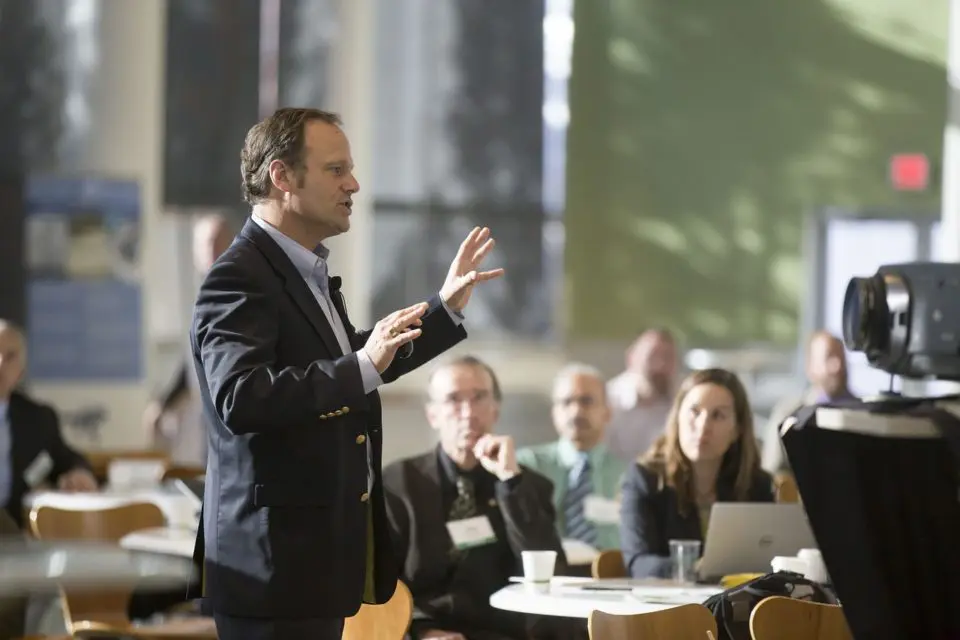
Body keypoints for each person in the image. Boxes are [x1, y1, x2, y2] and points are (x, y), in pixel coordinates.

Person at [190, 107, 503, 640]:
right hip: (271, 572)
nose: (354, 184)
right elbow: (240, 397)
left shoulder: (302, 268)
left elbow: (352, 361)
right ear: (282, 177)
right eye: (336, 170)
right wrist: (362, 363)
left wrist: (443, 310)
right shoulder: (239, 277)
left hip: (310, 567)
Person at [383, 356, 576, 640]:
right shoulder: (399, 483)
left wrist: (510, 482)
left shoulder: (528, 486)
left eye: (479, 398)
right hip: (418, 631)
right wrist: (420, 631)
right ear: (432, 414)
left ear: (496, 409)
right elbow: (382, 584)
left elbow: (547, 571)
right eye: (453, 400)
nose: (468, 412)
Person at [619, 368, 773, 579]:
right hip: (666, 608)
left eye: (718, 415)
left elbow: (768, 562)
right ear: (677, 418)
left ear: (737, 430)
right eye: (694, 412)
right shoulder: (645, 479)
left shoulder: (757, 485)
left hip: (735, 608)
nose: (703, 426)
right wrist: (698, 568)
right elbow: (639, 563)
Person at [143, 214, 234, 465]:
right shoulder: (201, 297)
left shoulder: (240, 291)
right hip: (203, 424)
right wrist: (163, 404)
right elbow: (191, 361)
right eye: (205, 244)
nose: (211, 251)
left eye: (217, 242)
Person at [517, 363, 626, 553]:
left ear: (607, 412)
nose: (576, 411)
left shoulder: (627, 474)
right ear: (554, 412)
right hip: (549, 574)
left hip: (613, 576)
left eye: (586, 401)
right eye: (566, 402)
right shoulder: (528, 465)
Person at [0, 320, 96, 528]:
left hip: (17, 540)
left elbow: (67, 459)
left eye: (10, 357)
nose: (0, 363)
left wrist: (79, 473)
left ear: (21, 371)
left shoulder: (38, 419)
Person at [762, 330, 856, 474]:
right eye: (829, 357)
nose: (837, 366)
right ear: (810, 368)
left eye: (841, 357)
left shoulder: (865, 415)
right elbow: (773, 472)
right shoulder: (789, 414)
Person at [605, 329, 679, 462]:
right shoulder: (608, 400)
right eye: (652, 356)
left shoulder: (682, 403)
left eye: (668, 357)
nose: (660, 365)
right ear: (631, 358)